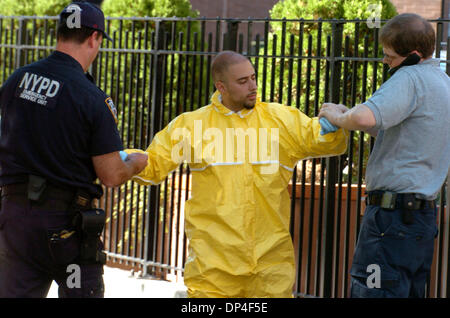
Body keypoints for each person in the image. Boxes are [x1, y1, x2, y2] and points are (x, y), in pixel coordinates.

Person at [125, 50, 348, 298]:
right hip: (214, 267)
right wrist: (124, 160)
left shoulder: (281, 120)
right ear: (221, 86)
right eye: (242, 81)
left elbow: (321, 139)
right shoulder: (191, 126)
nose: (252, 86)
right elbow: (155, 162)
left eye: (253, 77)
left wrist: (334, 123)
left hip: (270, 265)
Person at [0, 2, 148, 298]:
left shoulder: (18, 79)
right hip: (66, 229)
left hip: (15, 221)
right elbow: (111, 174)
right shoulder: (92, 98)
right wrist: (136, 162)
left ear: (60, 34)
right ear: (94, 38)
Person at [319, 13, 450, 298]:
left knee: (375, 291)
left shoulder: (410, 77)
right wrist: (348, 113)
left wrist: (336, 116)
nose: (385, 61)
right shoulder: (443, 82)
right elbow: (406, 134)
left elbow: (365, 118)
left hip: (391, 219)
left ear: (413, 56)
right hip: (421, 220)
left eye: (389, 56)